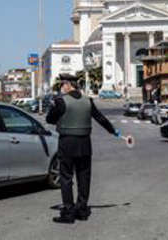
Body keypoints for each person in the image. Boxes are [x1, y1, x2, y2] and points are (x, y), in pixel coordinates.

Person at [46, 73, 120, 224]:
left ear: (68, 85)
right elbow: (100, 118)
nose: (61, 88)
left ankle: (68, 212)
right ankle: (82, 210)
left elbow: (50, 119)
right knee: (83, 177)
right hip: (85, 143)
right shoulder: (88, 101)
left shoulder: (61, 101)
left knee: (66, 177)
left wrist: (54, 108)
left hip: (67, 142)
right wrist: (113, 131)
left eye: (62, 85)